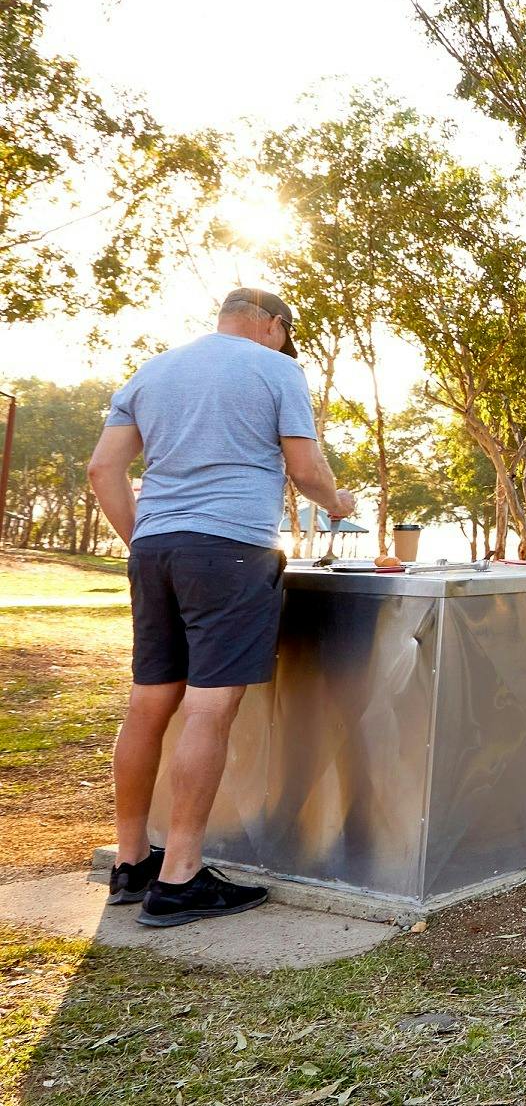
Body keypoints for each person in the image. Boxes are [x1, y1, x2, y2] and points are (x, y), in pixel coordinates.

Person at [86, 288, 357, 927]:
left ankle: (131, 863)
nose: (286, 344)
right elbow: (305, 466)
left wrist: (147, 541)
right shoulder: (277, 368)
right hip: (231, 550)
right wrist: (338, 501)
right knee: (210, 707)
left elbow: (104, 470)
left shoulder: (154, 370)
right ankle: (180, 879)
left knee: (148, 703)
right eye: (285, 333)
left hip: (156, 550)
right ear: (271, 325)